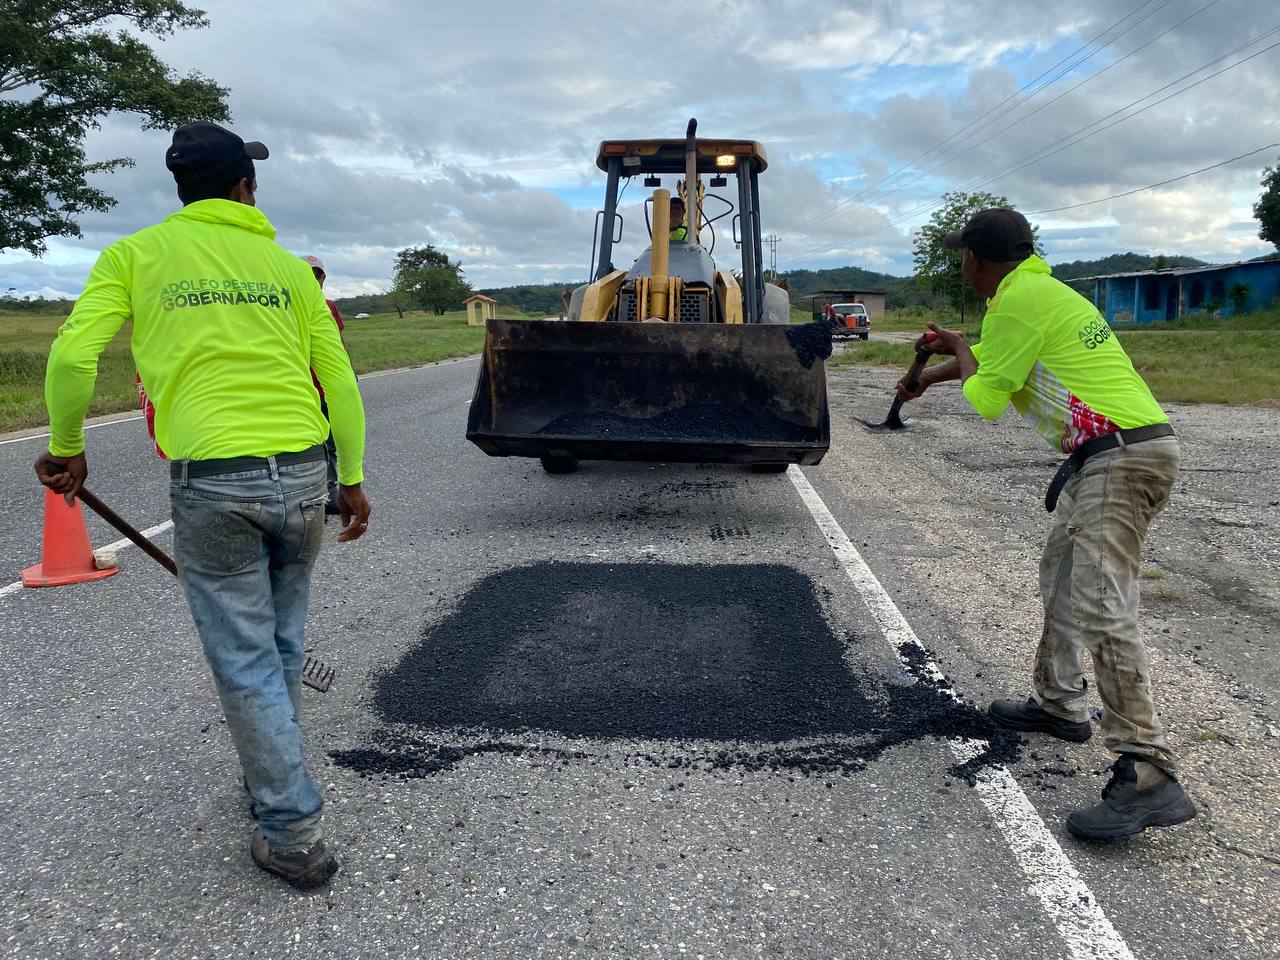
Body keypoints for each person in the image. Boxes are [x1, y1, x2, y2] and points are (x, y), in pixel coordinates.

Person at [35, 121, 372, 888]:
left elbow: (72, 353)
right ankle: (271, 788)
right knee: (280, 645)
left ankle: (290, 831)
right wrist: (348, 479)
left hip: (214, 483)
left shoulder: (135, 254)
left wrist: (67, 446)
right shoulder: (287, 269)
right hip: (300, 474)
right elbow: (341, 382)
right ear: (245, 187)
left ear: (182, 188)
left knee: (248, 657)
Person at [899, 207, 1195, 841]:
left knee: (1101, 602)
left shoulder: (1015, 302)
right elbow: (1000, 365)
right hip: (1121, 452)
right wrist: (937, 371)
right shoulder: (1036, 292)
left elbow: (986, 398)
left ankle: (1147, 770)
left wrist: (953, 351)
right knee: (1060, 574)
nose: (962, 266)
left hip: (1118, 459)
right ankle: (1059, 704)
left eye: (962, 258)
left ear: (974, 260)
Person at [299, 254, 347, 514]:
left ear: (322, 278)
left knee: (329, 443)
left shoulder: (328, 306)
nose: (312, 278)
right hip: (300, 388)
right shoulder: (288, 305)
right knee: (306, 444)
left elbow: (337, 343)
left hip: (325, 385)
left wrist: (348, 374)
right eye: (306, 273)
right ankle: (309, 493)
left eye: (316, 274)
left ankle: (330, 492)